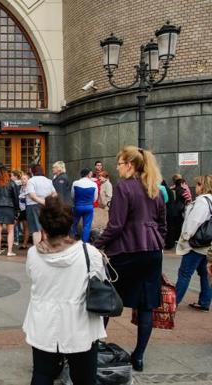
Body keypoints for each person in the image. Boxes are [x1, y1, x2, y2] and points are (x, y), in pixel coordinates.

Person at [95, 146, 166, 372]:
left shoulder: (124, 188)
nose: (117, 167)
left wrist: (96, 244)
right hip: (152, 252)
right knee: (146, 305)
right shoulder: (154, 187)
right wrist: (158, 241)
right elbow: (163, 224)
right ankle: (139, 357)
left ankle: (96, 346)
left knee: (107, 299)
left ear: (130, 165)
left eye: (120, 163)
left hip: (126, 251)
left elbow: (115, 225)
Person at [23, 196, 106, 384]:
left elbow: (32, 276)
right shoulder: (89, 253)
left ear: (44, 227)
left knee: (42, 374)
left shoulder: (33, 254)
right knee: (84, 379)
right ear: (70, 224)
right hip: (81, 324)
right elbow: (101, 280)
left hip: (44, 323)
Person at [175, 175, 212, 312]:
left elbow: (194, 221)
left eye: (197, 184)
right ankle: (205, 302)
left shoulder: (202, 201)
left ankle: (175, 301)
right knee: (205, 273)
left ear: (203, 186)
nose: (195, 187)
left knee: (185, 273)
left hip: (197, 244)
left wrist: (186, 236)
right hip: (208, 244)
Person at [0, 168, 19, 256]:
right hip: (9, 208)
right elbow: (16, 198)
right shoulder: (12, 183)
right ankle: (9, 251)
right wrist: (17, 210)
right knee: (10, 231)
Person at [26, 164, 57, 245]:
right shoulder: (48, 180)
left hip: (33, 206)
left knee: (36, 229)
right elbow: (54, 194)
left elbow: (32, 196)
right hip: (46, 206)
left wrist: (41, 201)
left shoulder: (31, 181)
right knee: (44, 228)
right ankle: (46, 248)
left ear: (32, 171)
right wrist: (47, 202)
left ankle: (36, 250)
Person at [71, 168, 98, 242]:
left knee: (74, 224)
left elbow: (72, 196)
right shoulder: (94, 184)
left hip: (77, 206)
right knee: (87, 226)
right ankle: (84, 243)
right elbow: (95, 198)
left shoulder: (75, 183)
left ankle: (72, 240)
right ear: (89, 174)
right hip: (89, 207)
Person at [166, 174, 191, 248]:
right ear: (181, 183)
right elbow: (188, 198)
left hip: (173, 209)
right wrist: (187, 202)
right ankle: (178, 239)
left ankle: (174, 239)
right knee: (180, 224)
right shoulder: (182, 189)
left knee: (173, 225)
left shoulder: (172, 189)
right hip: (180, 209)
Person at [18, 173, 30, 249]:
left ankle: (25, 244)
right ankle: (24, 242)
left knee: (26, 227)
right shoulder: (21, 187)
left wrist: (23, 198)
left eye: (24, 179)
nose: (23, 180)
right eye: (22, 179)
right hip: (21, 209)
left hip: (26, 209)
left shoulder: (29, 187)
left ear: (28, 179)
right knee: (22, 227)